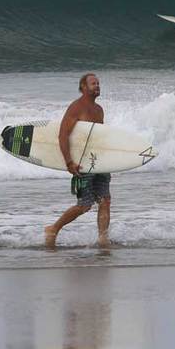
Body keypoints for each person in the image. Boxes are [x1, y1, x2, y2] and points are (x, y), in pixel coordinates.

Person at [44, 73, 111, 249]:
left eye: (98, 83)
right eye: (93, 83)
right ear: (83, 87)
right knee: (84, 205)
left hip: (98, 161)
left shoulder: (99, 110)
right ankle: (53, 228)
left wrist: (110, 160)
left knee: (105, 200)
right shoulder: (76, 107)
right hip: (82, 162)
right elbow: (63, 135)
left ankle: (103, 239)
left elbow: (98, 137)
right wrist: (69, 162)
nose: (97, 86)